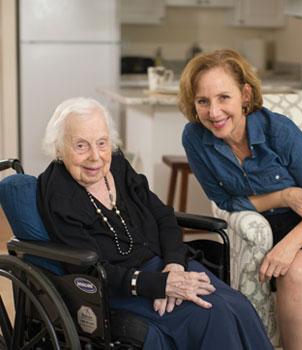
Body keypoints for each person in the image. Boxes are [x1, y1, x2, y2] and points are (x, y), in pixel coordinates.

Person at [36, 97, 273, 350]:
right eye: (81, 146)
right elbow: (89, 270)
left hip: (164, 265)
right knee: (212, 315)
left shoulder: (117, 165)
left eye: (102, 143)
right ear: (59, 148)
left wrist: (174, 266)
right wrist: (158, 285)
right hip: (118, 288)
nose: (95, 157)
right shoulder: (57, 192)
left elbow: (163, 215)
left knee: (237, 304)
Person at [179, 48, 302, 350]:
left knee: (295, 271)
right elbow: (225, 201)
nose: (214, 112)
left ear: (245, 94)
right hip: (278, 226)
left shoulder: (279, 131)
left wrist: (288, 246)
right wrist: (283, 195)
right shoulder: (195, 138)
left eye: (223, 97)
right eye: (203, 101)